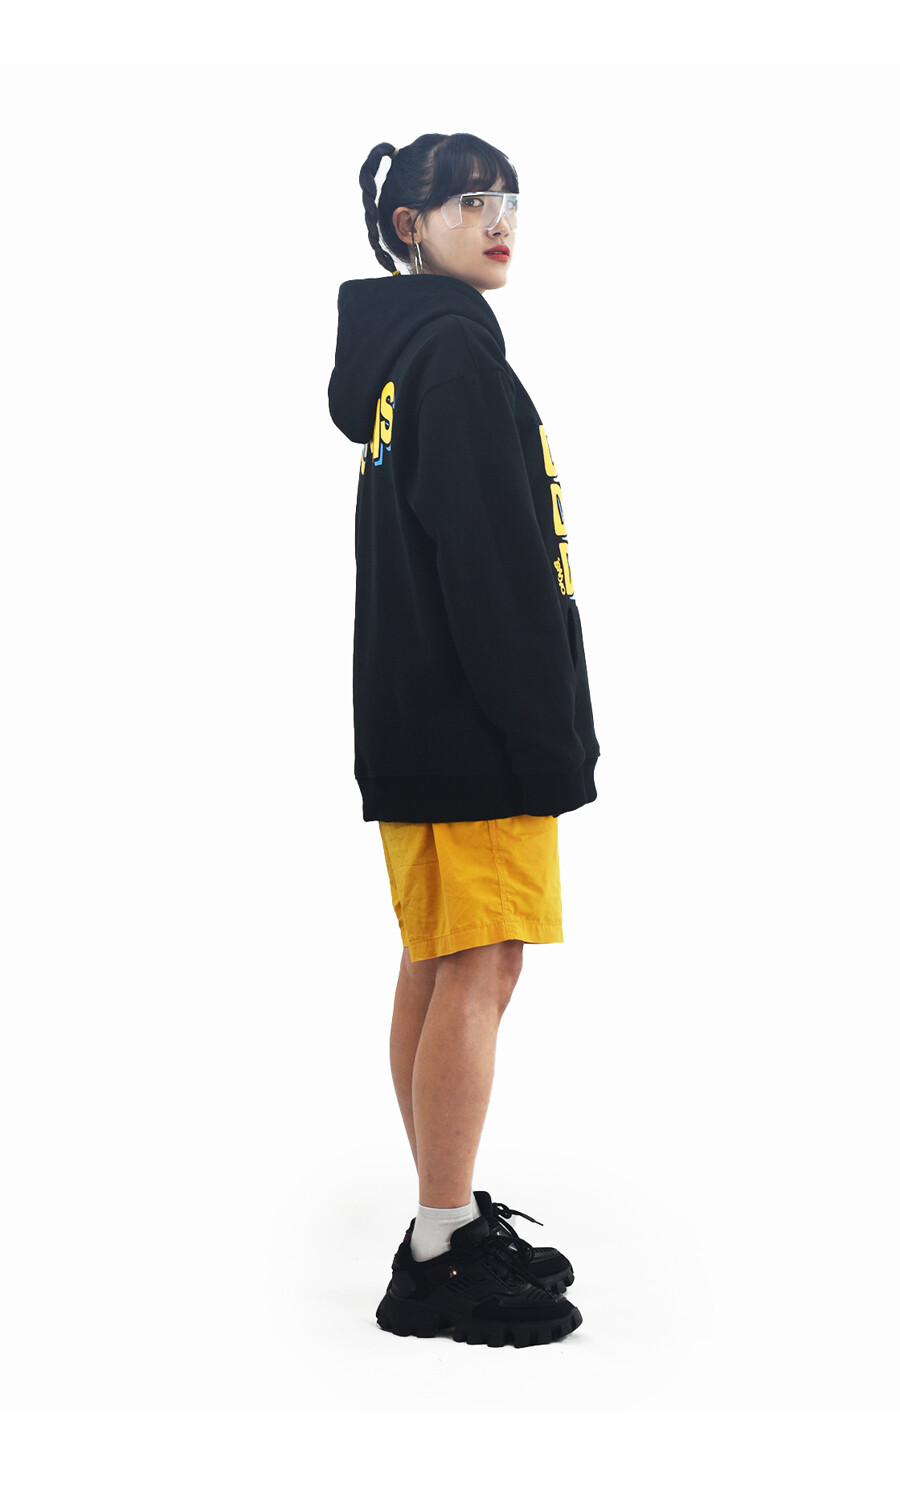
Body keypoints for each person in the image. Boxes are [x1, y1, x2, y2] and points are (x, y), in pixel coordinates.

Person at [327, 132, 600, 1348]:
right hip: (478, 726)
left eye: (509, 201)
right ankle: (441, 1250)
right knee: (481, 969)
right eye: (469, 201)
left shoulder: (406, 362)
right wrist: (546, 734)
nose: (499, 222)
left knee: (440, 964)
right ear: (408, 226)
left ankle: (443, 1221)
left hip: (415, 719)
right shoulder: (455, 361)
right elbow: (492, 567)